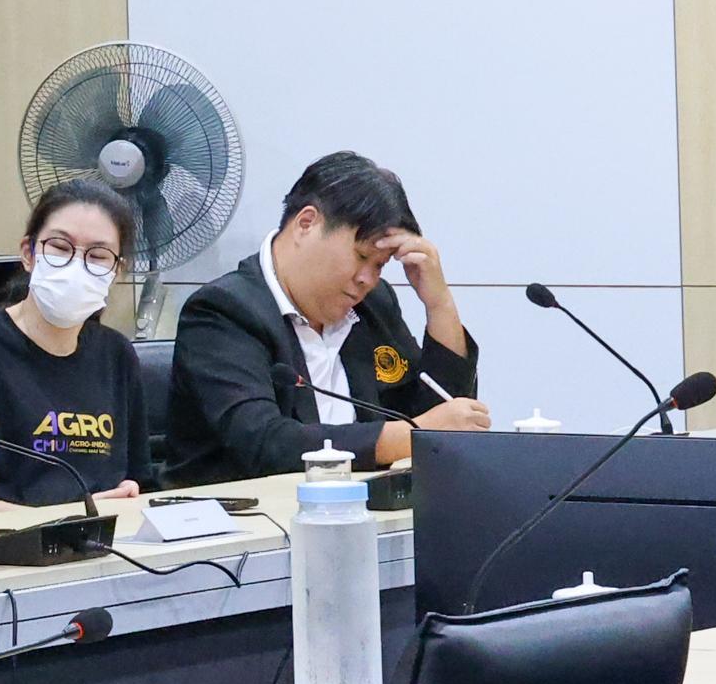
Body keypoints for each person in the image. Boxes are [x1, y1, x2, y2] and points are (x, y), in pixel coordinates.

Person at [160, 150, 489, 487]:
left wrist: (439, 304)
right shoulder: (222, 311)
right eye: (361, 256)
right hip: (245, 513)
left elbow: (438, 415)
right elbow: (266, 444)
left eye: (379, 265)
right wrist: (415, 434)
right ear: (307, 224)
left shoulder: (372, 304)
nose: (367, 279)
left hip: (360, 509)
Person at [0, 176, 145, 502]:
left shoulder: (117, 354)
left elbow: (137, 480)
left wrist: (129, 495)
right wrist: (67, 517)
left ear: (117, 271)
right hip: (5, 534)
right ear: (29, 253)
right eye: (60, 248)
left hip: (108, 531)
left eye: (98, 255)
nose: (76, 265)